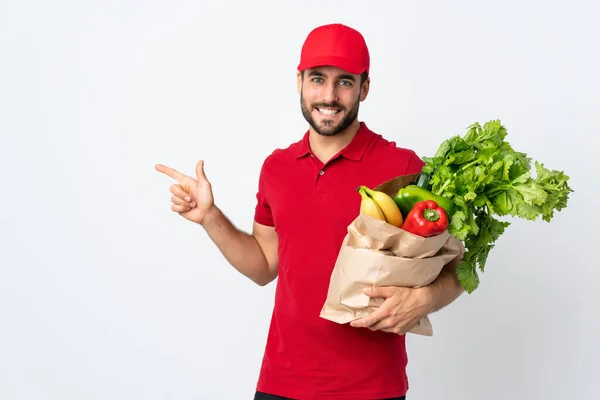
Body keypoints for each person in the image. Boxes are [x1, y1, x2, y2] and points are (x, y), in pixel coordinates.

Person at [156, 23, 465, 400]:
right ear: (299, 82)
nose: (329, 96)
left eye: (345, 82)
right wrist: (209, 216)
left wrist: (426, 299)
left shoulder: (404, 168)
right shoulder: (277, 167)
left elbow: (458, 267)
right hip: (281, 383)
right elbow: (263, 265)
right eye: (318, 79)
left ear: (365, 88)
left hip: (370, 389)